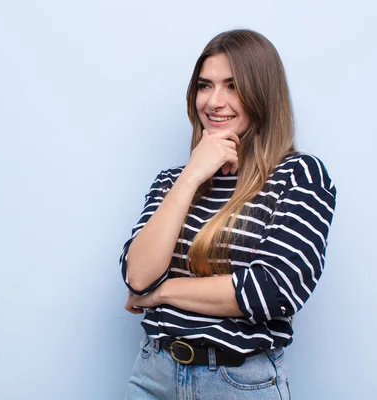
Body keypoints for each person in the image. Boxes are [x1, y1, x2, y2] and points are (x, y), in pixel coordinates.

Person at [120, 29, 337, 399]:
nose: (215, 101)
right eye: (205, 86)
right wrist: (191, 176)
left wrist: (162, 293)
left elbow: (270, 290)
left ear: (262, 93)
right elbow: (138, 276)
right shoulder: (171, 181)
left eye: (232, 86)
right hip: (152, 376)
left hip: (239, 384)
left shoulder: (299, 176)